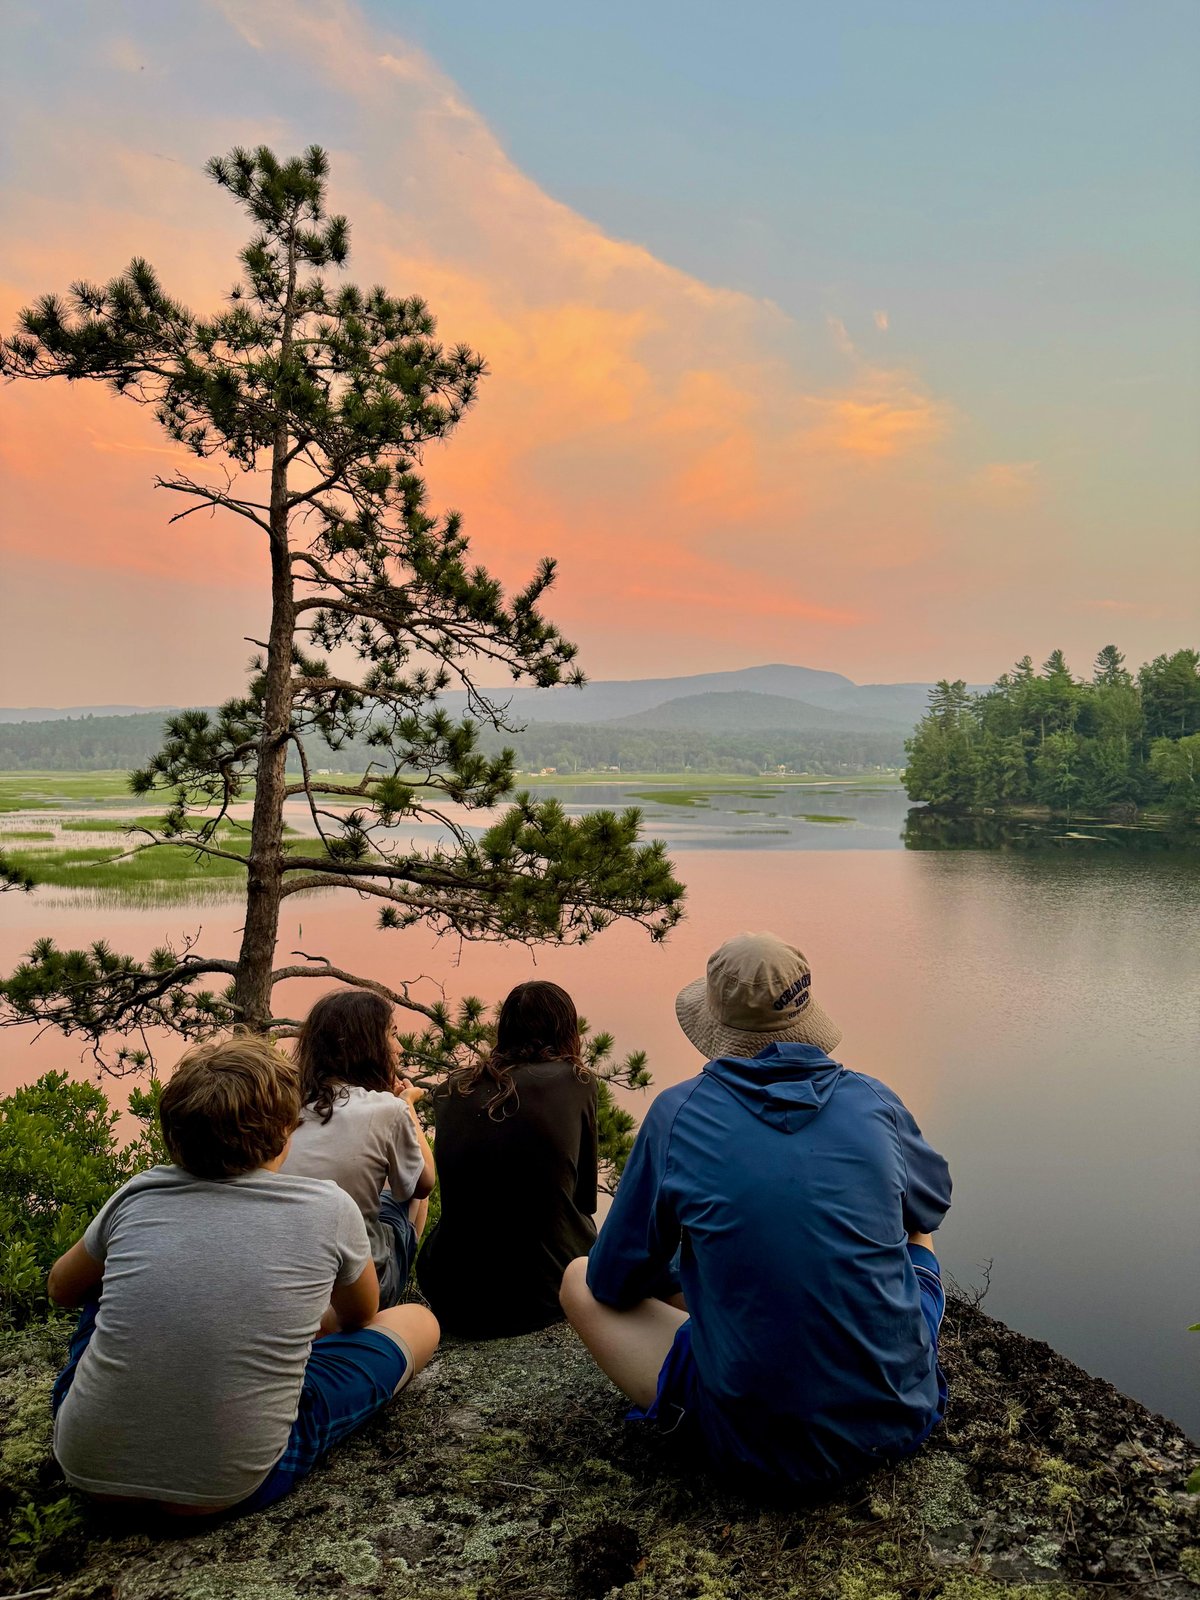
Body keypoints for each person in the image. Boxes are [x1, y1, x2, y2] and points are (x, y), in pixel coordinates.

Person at [560, 932, 952, 1494]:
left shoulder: (677, 1114)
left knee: (577, 1279)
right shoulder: (875, 1100)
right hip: (901, 1416)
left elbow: (612, 1279)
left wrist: (698, 1282)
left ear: (719, 1024)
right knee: (914, 1224)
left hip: (752, 1445)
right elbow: (931, 1205)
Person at [48, 1034, 439, 1516]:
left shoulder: (138, 1194)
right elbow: (361, 1314)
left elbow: (62, 1289)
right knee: (420, 1323)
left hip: (87, 1466)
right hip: (233, 1483)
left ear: (173, 1131)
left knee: (102, 1282)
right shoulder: (326, 1207)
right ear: (283, 1132)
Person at [417, 980, 598, 1338]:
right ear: (567, 1030)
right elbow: (585, 1199)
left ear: (504, 1029)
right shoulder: (576, 1081)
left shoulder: (450, 1090)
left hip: (454, 1291)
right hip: (544, 1292)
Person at [281, 989, 436, 1307]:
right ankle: (393, 1291)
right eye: (392, 1035)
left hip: (292, 1279)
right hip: (360, 1287)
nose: (400, 1047)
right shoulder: (386, 1108)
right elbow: (424, 1183)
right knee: (414, 1192)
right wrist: (405, 1105)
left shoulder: (284, 1107)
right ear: (368, 1044)